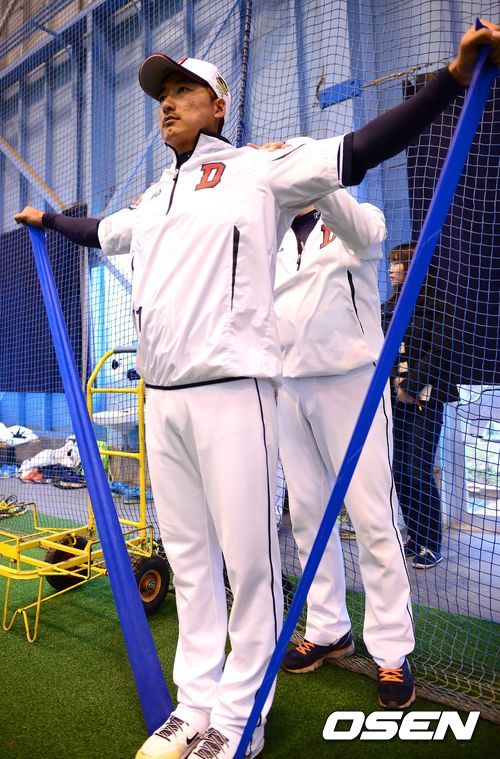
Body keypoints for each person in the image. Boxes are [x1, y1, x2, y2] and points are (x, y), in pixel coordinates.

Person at [13, 21, 500, 759]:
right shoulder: (158, 196)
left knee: (255, 562)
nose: (167, 103)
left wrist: (452, 81)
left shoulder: (258, 173)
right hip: (165, 399)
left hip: (243, 393)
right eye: (162, 94)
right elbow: (103, 231)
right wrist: (48, 219)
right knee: (192, 562)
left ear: (218, 106)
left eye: (184, 91)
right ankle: (195, 705)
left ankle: (243, 718)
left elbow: (363, 147)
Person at [273, 193, 415, 709]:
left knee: (374, 519)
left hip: (352, 385)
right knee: (308, 517)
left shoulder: (359, 214)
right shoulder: (271, 231)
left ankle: (392, 650)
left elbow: (366, 233)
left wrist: (320, 178)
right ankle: (328, 627)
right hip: (289, 388)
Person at [382, 244, 459, 569]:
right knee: (400, 470)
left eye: (396, 263)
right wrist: (394, 384)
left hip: (427, 398)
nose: (390, 269)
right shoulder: (389, 307)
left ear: (413, 267)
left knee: (418, 468)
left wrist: (410, 385)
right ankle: (414, 534)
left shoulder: (439, 306)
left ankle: (430, 542)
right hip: (394, 399)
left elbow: (440, 352)